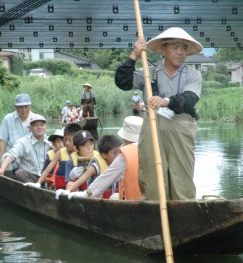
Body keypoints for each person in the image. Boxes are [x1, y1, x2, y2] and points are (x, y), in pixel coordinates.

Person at [115, 27, 203, 201]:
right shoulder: (149, 72)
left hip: (181, 127)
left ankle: (183, 215)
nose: (180, 52)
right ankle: (156, 214)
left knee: (181, 177)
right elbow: (122, 82)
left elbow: (190, 98)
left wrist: (166, 101)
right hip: (153, 125)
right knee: (152, 174)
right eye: (175, 47)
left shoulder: (193, 74)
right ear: (163, 49)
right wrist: (134, 55)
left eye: (183, 48)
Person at [68, 116, 143, 201]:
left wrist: (86, 193)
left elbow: (106, 178)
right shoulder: (152, 149)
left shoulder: (126, 154)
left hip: (134, 199)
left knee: (113, 197)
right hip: (148, 197)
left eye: (91, 144)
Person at [0, 115, 50, 183]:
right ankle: (34, 188)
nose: (39, 127)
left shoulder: (50, 142)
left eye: (42, 125)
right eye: (36, 125)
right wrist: (2, 169)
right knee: (19, 173)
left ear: (46, 127)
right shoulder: (23, 142)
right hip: (31, 175)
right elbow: (11, 155)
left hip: (47, 175)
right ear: (30, 129)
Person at [24, 123, 81, 190]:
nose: (66, 143)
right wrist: (38, 183)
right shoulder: (60, 153)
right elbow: (47, 170)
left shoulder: (83, 152)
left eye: (70, 140)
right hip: (61, 188)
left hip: (77, 187)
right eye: (65, 139)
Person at [0, 93, 40, 172]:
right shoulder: (8, 119)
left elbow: (41, 141)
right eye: (20, 107)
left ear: (30, 106)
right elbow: (3, 141)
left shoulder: (37, 119)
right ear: (15, 107)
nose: (23, 110)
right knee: (4, 163)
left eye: (26, 107)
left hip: (29, 159)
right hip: (11, 158)